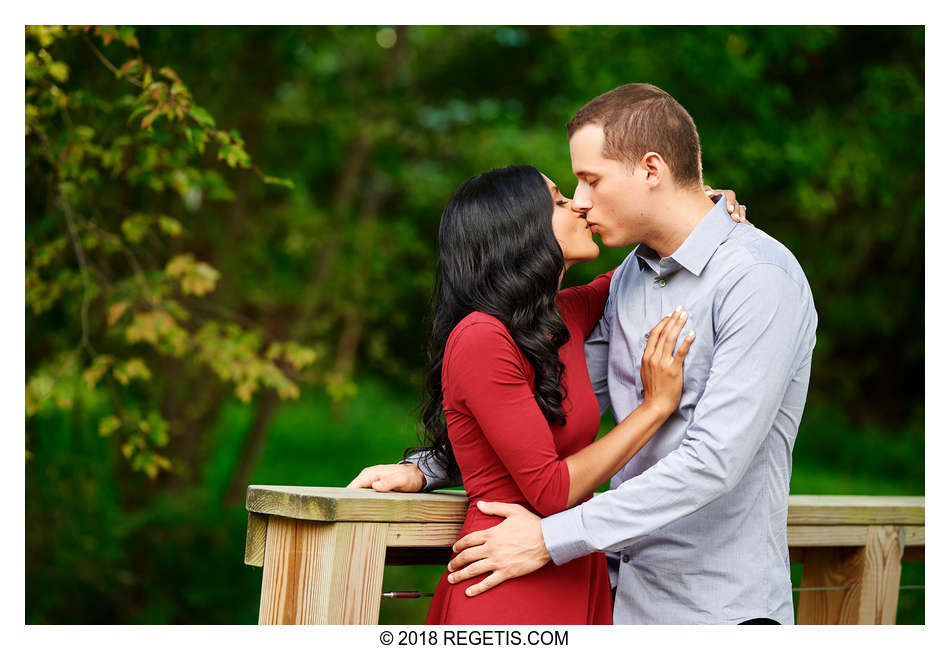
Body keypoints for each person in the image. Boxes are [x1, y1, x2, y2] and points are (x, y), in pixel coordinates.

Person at [355, 83, 816, 624]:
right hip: (615, 599)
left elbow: (715, 461)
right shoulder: (629, 283)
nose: (581, 200)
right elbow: (545, 414)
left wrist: (552, 538)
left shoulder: (758, 278)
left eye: (591, 179)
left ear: (651, 169)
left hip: (715, 609)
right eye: (571, 187)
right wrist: (429, 467)